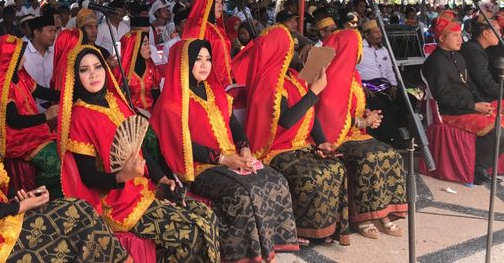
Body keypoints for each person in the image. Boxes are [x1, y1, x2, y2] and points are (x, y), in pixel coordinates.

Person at [0, 50, 130, 262]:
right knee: (77, 217)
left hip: (1, 217)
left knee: (80, 209)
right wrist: (18, 207)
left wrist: (20, 200)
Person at [58, 45, 220, 262]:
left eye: (98, 66)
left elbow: (140, 149)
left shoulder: (115, 101)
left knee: (207, 215)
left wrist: (161, 178)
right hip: (119, 203)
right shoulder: (79, 116)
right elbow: (87, 175)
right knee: (189, 234)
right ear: (75, 78)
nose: (94, 74)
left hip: (146, 189)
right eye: (84, 70)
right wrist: (121, 176)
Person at [152, 38, 298, 262]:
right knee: (242, 192)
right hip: (200, 168)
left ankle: (267, 247)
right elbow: (181, 145)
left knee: (275, 180)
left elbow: (234, 125)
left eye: (208, 59)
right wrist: (222, 159)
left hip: (232, 156)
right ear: (183, 63)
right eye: (197, 59)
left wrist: (245, 149)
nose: (204, 65)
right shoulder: (171, 102)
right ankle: (240, 255)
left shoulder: (216, 91)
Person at [244, 24, 349, 245]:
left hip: (299, 145)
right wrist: (313, 92)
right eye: (290, 49)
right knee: (312, 176)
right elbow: (286, 120)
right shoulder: (269, 82)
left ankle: (326, 228)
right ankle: (301, 228)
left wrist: (322, 142)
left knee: (335, 168)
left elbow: (309, 115)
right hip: (277, 150)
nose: (294, 54)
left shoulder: (292, 77)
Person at [315, 30, 407, 239]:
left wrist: (367, 115)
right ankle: (363, 217)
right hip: (338, 137)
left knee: (389, 154)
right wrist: (361, 122)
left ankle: (383, 213)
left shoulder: (353, 74)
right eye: (357, 47)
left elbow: (351, 106)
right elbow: (326, 116)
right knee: (369, 158)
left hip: (356, 133)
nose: (360, 52)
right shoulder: (331, 75)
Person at [422, 15, 504, 185]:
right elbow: (443, 96)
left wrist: (483, 104)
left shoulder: (458, 57)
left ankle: (483, 165)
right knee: (498, 129)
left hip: (469, 106)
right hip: (451, 111)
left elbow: (471, 86)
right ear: (442, 38)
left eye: (460, 35)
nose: (460, 39)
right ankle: (477, 167)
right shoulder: (435, 62)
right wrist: (474, 106)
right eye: (455, 36)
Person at [0, 35, 62, 198]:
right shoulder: (2, 85)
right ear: (9, 59)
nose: (25, 59)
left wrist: (68, 93)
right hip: (18, 137)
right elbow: (14, 121)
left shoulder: (20, 75)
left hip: (33, 131)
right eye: (20, 56)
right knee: (57, 165)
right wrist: (45, 116)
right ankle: (43, 195)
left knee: (65, 151)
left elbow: (40, 90)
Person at [182, 0, 232, 87]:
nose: (220, 6)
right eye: (216, 2)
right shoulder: (198, 29)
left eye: (221, 2)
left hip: (226, 82)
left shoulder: (219, 28)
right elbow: (192, 61)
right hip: (209, 84)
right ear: (206, 4)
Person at [113, 30, 161, 114]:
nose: (149, 48)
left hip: (151, 114)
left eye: (148, 43)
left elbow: (156, 95)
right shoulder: (121, 72)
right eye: (145, 44)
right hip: (130, 116)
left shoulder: (151, 67)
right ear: (134, 46)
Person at [461, 17, 502, 102]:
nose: (500, 34)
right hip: (476, 98)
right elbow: (485, 83)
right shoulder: (473, 51)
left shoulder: (477, 48)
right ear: (485, 33)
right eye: (497, 31)